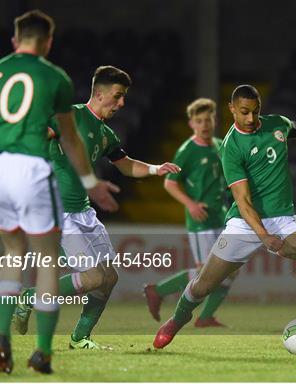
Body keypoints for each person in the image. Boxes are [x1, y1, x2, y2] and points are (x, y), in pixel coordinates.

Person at [153, 84, 296, 349]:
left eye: (255, 112)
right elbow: (244, 201)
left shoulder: (277, 124)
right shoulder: (231, 147)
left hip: (283, 221)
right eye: (244, 112)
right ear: (231, 109)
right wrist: (264, 236)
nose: (251, 119)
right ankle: (176, 320)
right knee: (203, 285)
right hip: (244, 224)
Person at [0, 10, 118, 374]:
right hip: (30, 168)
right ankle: (42, 352)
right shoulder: (55, 78)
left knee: (12, 252)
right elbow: (68, 137)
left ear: (15, 40)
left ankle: (1, 340)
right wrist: (91, 182)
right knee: (47, 263)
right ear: (48, 43)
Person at [12, 65, 180, 349]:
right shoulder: (69, 117)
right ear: (100, 94)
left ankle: (80, 338)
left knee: (108, 278)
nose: (122, 103)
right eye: (118, 96)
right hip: (59, 211)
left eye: (124, 96)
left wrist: (155, 169)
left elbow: (126, 166)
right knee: (92, 277)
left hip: (84, 212)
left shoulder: (106, 134)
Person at [143, 98, 235, 327]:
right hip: (201, 221)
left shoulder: (219, 145)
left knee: (230, 268)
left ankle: (205, 317)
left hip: (221, 216)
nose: (205, 124)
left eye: (208, 119)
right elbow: (170, 183)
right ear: (191, 124)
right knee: (205, 273)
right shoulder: (187, 151)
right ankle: (158, 290)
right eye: (199, 120)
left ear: (214, 120)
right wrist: (191, 204)